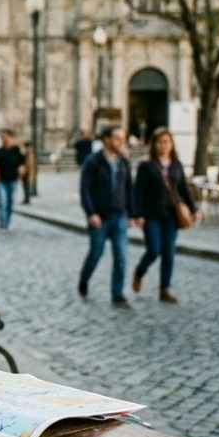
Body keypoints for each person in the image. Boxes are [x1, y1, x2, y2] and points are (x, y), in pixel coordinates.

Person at [131, 128, 198, 303]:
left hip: (171, 216)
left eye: (166, 141)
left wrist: (193, 209)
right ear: (154, 144)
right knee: (154, 250)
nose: (163, 145)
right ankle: (139, 271)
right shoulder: (146, 166)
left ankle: (164, 289)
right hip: (151, 214)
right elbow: (137, 191)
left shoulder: (177, 165)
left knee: (168, 252)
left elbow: (183, 189)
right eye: (160, 142)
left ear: (172, 144)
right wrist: (137, 214)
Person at [77, 125, 139, 306]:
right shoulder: (93, 161)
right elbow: (85, 190)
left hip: (119, 215)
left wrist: (132, 214)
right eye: (118, 138)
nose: (122, 142)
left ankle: (117, 293)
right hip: (99, 216)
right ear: (106, 139)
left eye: (123, 138)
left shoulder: (124, 162)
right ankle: (84, 278)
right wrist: (91, 213)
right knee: (96, 253)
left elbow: (129, 188)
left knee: (121, 255)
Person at [0, 131, 25, 229]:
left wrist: (22, 169)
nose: (4, 139)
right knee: (3, 200)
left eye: (6, 137)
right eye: (3, 137)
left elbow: (22, 162)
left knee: (10, 201)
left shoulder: (17, 151)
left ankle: (7, 220)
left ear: (12, 138)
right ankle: (2, 221)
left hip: (13, 179)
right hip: (1, 180)